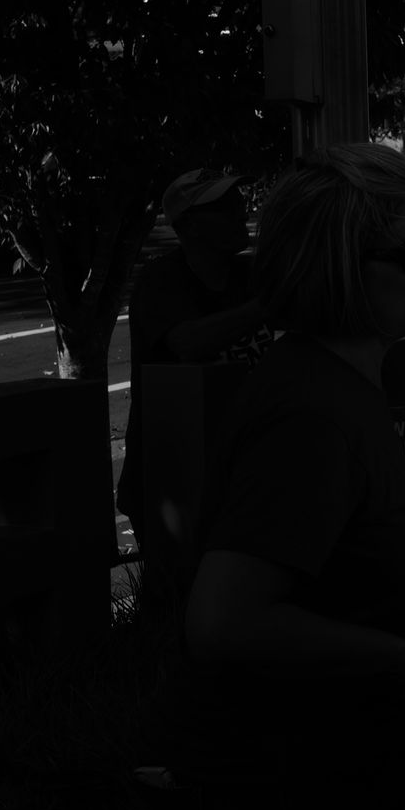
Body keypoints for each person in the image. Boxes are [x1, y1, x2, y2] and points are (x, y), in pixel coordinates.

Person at [173, 145, 405, 810]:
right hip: (292, 808)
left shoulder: (338, 387)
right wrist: (402, 660)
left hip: (330, 786)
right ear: (343, 269)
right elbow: (222, 620)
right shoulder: (311, 411)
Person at [118, 169, 274, 548]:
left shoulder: (248, 274)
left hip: (237, 473)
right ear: (190, 226)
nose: (242, 213)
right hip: (172, 479)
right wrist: (268, 305)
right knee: (182, 594)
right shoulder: (162, 282)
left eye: (240, 204)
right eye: (226, 208)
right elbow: (188, 342)